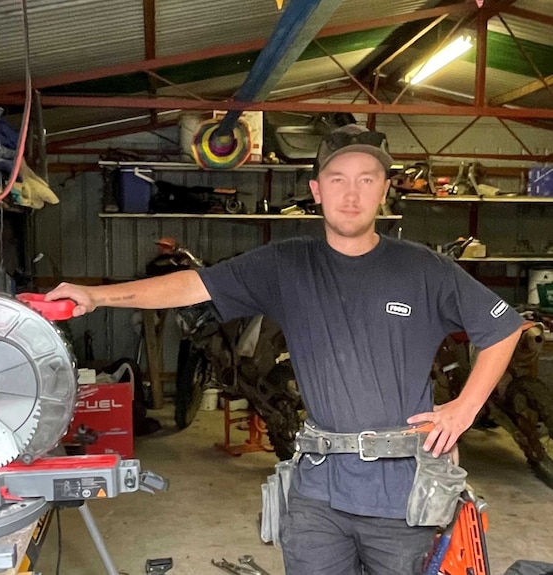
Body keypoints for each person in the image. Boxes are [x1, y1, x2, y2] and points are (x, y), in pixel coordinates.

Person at [46, 124, 523, 575]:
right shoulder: (288, 264)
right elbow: (194, 285)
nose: (351, 194)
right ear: (317, 191)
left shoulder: (425, 270)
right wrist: (99, 295)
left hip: (401, 496)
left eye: (366, 180)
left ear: (384, 189)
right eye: (337, 180)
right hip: (317, 491)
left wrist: (463, 409)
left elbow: (504, 327)